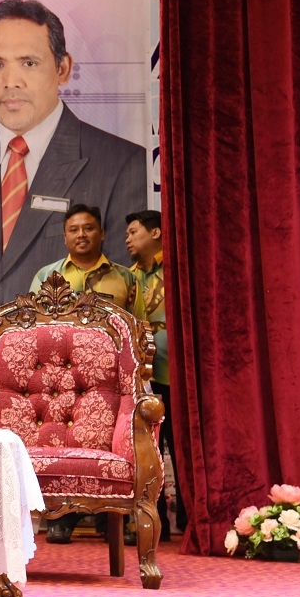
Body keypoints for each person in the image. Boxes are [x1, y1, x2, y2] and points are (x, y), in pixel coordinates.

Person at [0, 0, 148, 328]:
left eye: (28, 63)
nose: (11, 81)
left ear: (63, 69)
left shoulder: (123, 166)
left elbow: (124, 301)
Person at [30, 203, 144, 544]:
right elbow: (33, 327)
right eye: (74, 229)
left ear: (102, 233)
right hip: (63, 381)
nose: (82, 234)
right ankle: (61, 518)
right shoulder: (47, 276)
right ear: (65, 236)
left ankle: (115, 519)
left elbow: (138, 329)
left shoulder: (125, 278)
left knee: (112, 443)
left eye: (89, 228)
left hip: (111, 382)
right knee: (65, 442)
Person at [125, 209, 184, 539]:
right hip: (144, 378)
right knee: (148, 450)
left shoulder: (177, 269)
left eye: (134, 232)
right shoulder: (128, 278)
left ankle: (190, 518)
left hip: (178, 374)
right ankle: (152, 519)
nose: (128, 239)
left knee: (182, 447)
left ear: (156, 233)